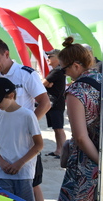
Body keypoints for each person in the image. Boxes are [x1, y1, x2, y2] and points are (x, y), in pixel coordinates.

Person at [0, 38, 51, 201]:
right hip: (4, 141)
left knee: (32, 185)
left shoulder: (26, 74)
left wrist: (28, 126)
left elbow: (45, 103)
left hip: (25, 143)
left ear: (6, 54)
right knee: (5, 187)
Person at [58, 36, 101, 200]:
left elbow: (81, 137)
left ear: (76, 66)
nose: (65, 74)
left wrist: (100, 163)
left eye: (64, 69)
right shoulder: (100, 80)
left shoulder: (77, 90)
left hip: (87, 164)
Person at [0, 77, 43, 201]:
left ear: (11, 95)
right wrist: (1, 162)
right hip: (3, 172)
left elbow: (39, 145)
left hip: (24, 172)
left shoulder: (28, 115)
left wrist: (20, 163)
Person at [43, 49, 66, 158]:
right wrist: (47, 83)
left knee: (59, 128)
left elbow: (43, 83)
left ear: (57, 58)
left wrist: (47, 83)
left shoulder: (57, 71)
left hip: (56, 103)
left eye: (50, 56)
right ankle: (58, 150)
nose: (48, 59)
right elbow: (46, 83)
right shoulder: (57, 70)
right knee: (56, 128)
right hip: (54, 103)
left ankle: (63, 151)